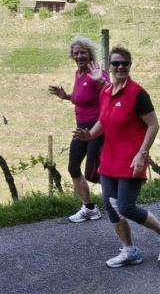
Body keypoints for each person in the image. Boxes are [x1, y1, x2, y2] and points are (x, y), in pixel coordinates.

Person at [74, 46, 160, 268]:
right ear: (110, 67)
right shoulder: (105, 92)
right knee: (111, 207)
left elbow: (153, 124)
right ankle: (129, 250)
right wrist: (89, 135)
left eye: (125, 63)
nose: (120, 67)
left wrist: (143, 153)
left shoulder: (138, 94)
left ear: (130, 65)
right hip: (109, 159)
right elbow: (103, 120)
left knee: (126, 206)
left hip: (132, 159)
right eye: (116, 63)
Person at [49, 36, 109, 223]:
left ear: (90, 53)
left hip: (97, 127)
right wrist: (66, 96)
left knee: (94, 171)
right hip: (81, 127)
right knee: (73, 167)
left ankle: (119, 202)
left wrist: (100, 81)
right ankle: (89, 208)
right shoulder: (79, 74)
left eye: (83, 52)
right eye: (76, 53)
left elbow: (109, 91)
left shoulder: (96, 72)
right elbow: (81, 97)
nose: (79, 56)